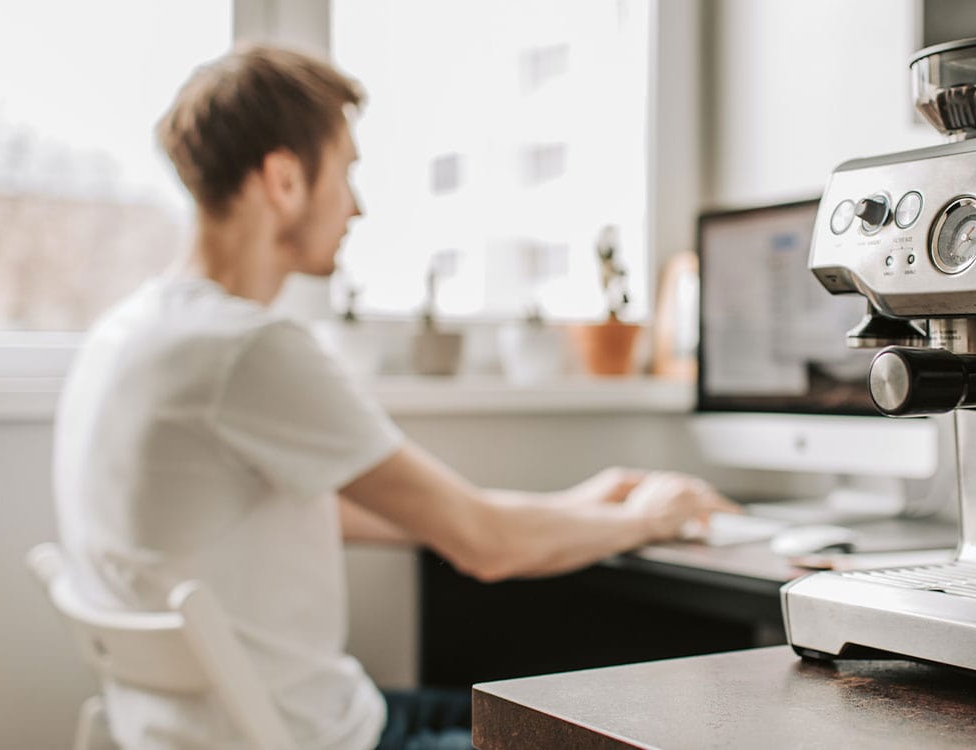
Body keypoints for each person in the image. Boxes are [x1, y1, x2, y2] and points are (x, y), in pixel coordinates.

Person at [52, 44, 737, 750]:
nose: (357, 206)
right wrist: (649, 520)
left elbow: (369, 517)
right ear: (284, 179)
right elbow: (484, 546)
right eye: (347, 172)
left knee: (527, 704)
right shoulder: (247, 349)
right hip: (312, 739)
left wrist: (579, 504)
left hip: (211, 728)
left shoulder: (130, 334)